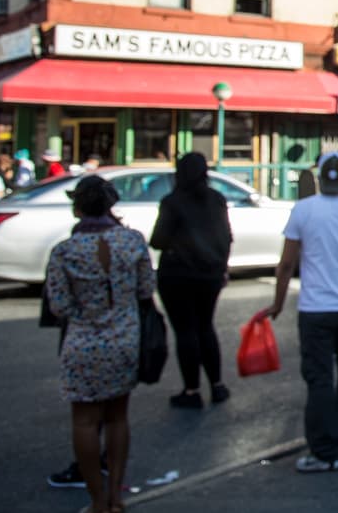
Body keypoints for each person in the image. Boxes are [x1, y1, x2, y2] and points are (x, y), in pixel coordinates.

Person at [265, 152, 338, 473]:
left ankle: (324, 451)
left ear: (320, 178)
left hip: (315, 308)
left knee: (319, 380)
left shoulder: (303, 210)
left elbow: (287, 264)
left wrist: (277, 303)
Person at [45, 174, 155, 513]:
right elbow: (145, 290)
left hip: (82, 340)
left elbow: (59, 306)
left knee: (84, 421)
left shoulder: (64, 251)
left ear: (78, 208)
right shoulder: (133, 241)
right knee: (118, 418)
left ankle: (97, 500)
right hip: (125, 339)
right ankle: (116, 498)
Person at [149, 152, 233, 409]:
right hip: (210, 275)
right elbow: (226, 236)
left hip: (177, 275)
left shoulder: (172, 202)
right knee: (206, 326)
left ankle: (192, 389)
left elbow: (158, 240)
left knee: (185, 331)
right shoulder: (217, 199)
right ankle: (217, 385)